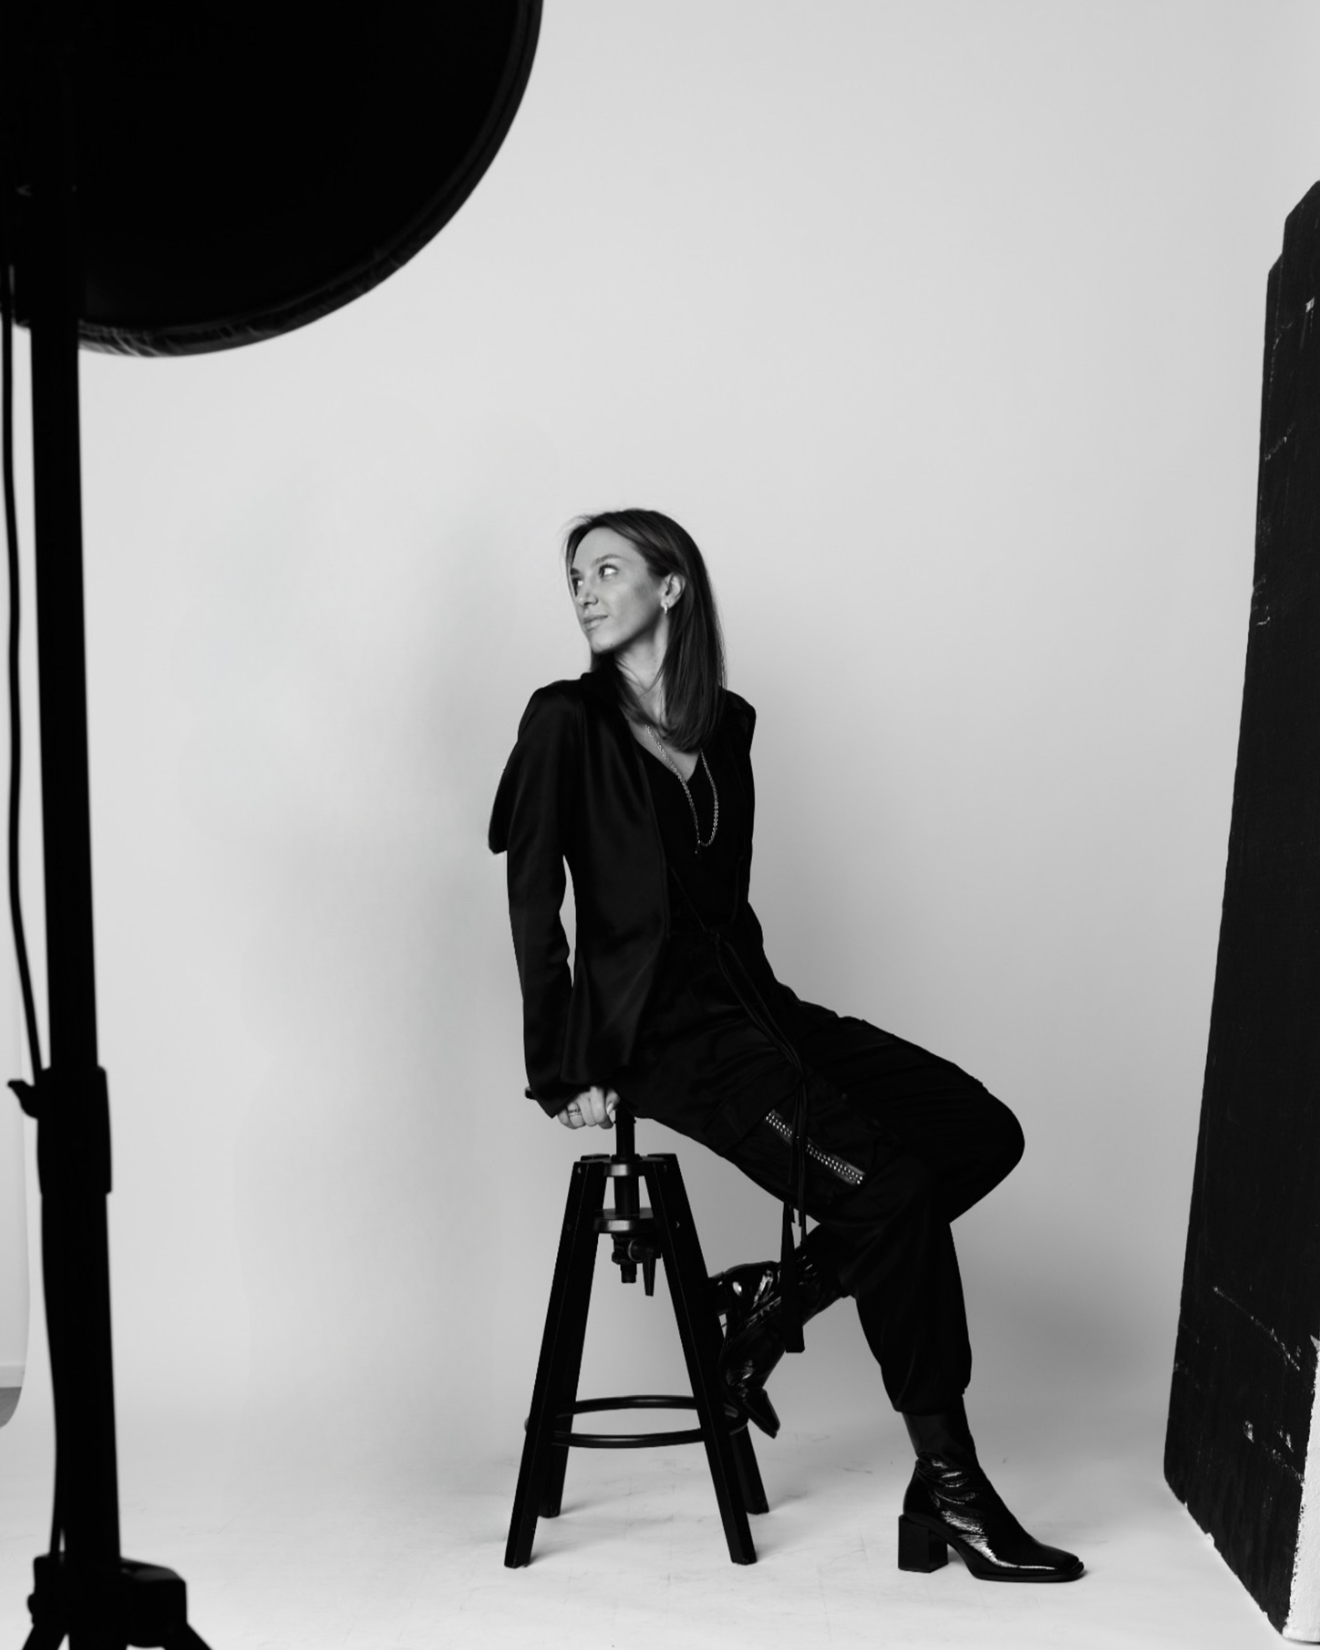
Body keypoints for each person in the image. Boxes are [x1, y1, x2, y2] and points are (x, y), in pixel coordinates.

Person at [488, 508, 1083, 1584]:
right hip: (662, 1041)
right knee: (891, 1191)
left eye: (607, 569)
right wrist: (558, 1063)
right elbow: (535, 899)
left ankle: (776, 1303)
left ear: (670, 589)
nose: (582, 589)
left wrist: (777, 1030)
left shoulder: (726, 727)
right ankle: (952, 1487)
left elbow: (722, 906)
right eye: (573, 576)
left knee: (978, 1131)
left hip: (760, 1011)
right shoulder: (562, 723)